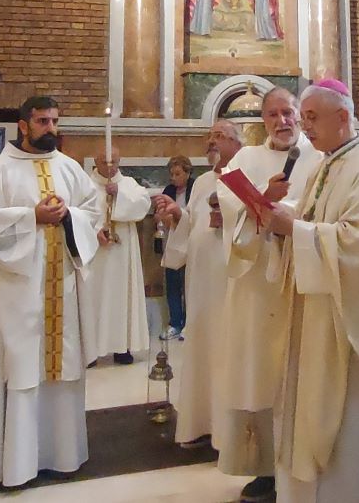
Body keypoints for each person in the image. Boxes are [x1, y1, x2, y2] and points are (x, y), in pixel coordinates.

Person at [262, 80, 359, 501]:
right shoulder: (326, 165)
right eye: (304, 118)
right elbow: (315, 218)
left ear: (344, 117)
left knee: (350, 424)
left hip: (351, 323)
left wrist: (294, 230)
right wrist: (284, 222)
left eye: (313, 118)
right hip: (316, 314)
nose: (305, 126)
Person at [0, 95, 105, 488]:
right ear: (23, 125)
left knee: (60, 369)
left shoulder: (68, 168)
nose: (51, 128)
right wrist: (29, 217)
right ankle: (14, 464)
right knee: (17, 370)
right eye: (42, 121)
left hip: (60, 291)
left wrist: (70, 216)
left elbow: (92, 211)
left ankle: (61, 455)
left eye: (54, 121)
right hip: (13, 293)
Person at [217, 86, 323, 501]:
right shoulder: (245, 160)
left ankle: (308, 461)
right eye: (273, 114)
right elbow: (230, 208)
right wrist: (264, 199)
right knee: (261, 373)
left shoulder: (321, 156)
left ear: (301, 114)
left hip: (305, 279)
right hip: (259, 287)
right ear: (262, 120)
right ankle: (265, 467)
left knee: (304, 369)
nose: (283, 121)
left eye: (289, 112)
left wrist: (287, 213)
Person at [160, 122, 245, 448]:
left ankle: (227, 429)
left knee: (226, 349)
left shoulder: (247, 178)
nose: (212, 141)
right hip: (200, 283)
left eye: (219, 136)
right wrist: (177, 216)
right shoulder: (203, 182)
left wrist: (231, 221)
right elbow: (194, 224)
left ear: (238, 143)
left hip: (229, 281)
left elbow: (260, 223)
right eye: (210, 136)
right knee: (202, 348)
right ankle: (200, 422)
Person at [83, 148, 151, 365]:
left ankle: (122, 347)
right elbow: (77, 213)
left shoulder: (128, 184)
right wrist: (95, 231)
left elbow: (143, 204)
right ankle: (91, 351)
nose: (110, 167)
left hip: (122, 255)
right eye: (105, 162)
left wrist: (119, 195)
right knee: (93, 298)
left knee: (122, 297)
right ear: (96, 161)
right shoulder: (85, 185)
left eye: (114, 162)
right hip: (95, 254)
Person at [158, 155, 199, 339]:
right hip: (173, 241)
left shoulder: (195, 189)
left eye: (177, 174)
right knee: (173, 283)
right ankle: (175, 322)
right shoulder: (169, 190)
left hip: (190, 242)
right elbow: (160, 215)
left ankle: (189, 324)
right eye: (171, 174)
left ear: (187, 173)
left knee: (189, 284)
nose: (173, 178)